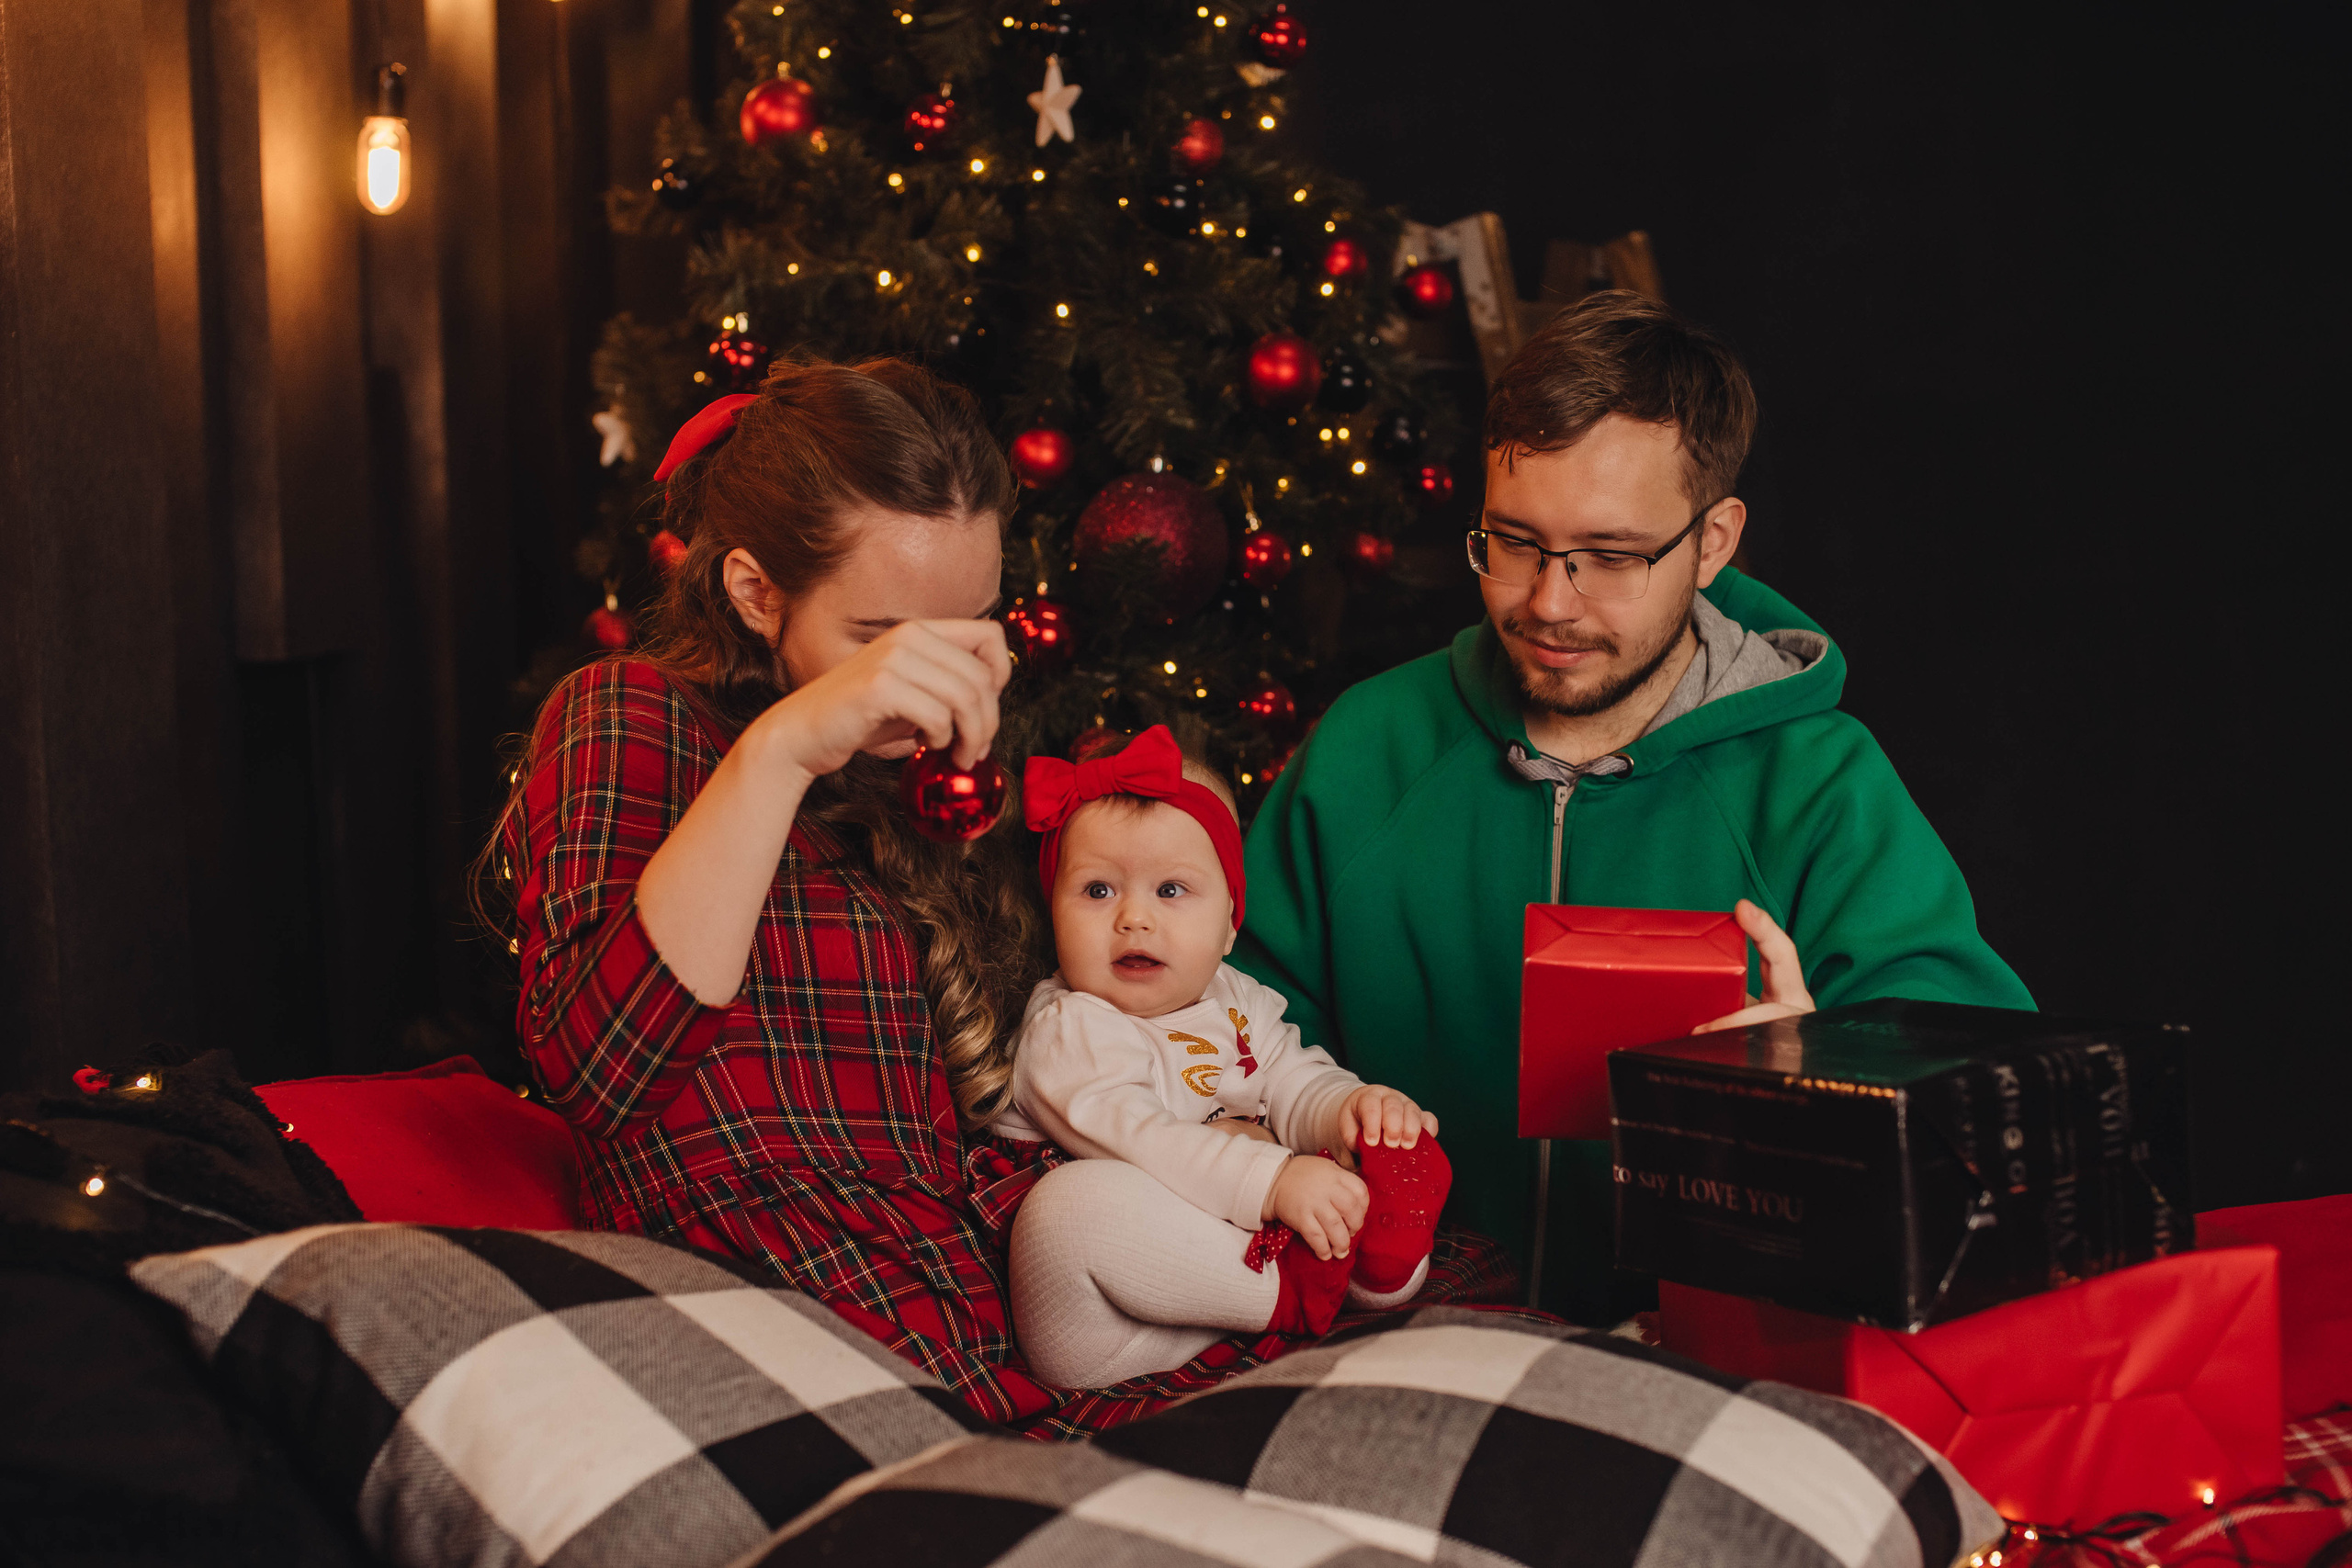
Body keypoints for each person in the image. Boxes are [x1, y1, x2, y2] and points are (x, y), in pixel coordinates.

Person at [491, 355, 1510, 1435]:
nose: (932, 682)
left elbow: (1087, 1049)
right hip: (795, 1295)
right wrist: (781, 752)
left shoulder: (934, 775)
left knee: (1461, 1367)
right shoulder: (632, 714)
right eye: (884, 640)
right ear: (755, 591)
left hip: (985, 1270)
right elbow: (599, 1070)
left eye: (971, 626)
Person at [1232, 292, 2034, 1323]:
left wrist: (1826, 1079)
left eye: (1609, 557)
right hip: (1399, 1343)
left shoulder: (1821, 785)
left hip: (1723, 1359)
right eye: (1513, 542)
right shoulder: (1365, 750)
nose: (1549, 603)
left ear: (1713, 543)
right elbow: (1214, 1041)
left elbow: (1996, 1118)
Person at [993, 726, 1450, 1388]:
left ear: (1231, 921)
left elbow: (1293, 1080)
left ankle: (1372, 1271)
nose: (1134, 919)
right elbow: (1147, 1144)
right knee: (1066, 1210)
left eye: (1171, 890)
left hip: (1207, 1279)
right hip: (1094, 1321)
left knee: (1352, 1156)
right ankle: (1296, 1284)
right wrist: (1272, 1181)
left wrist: (1348, 1110)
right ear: (1053, 912)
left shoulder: (1237, 998)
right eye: (1097, 890)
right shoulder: (1071, 1028)